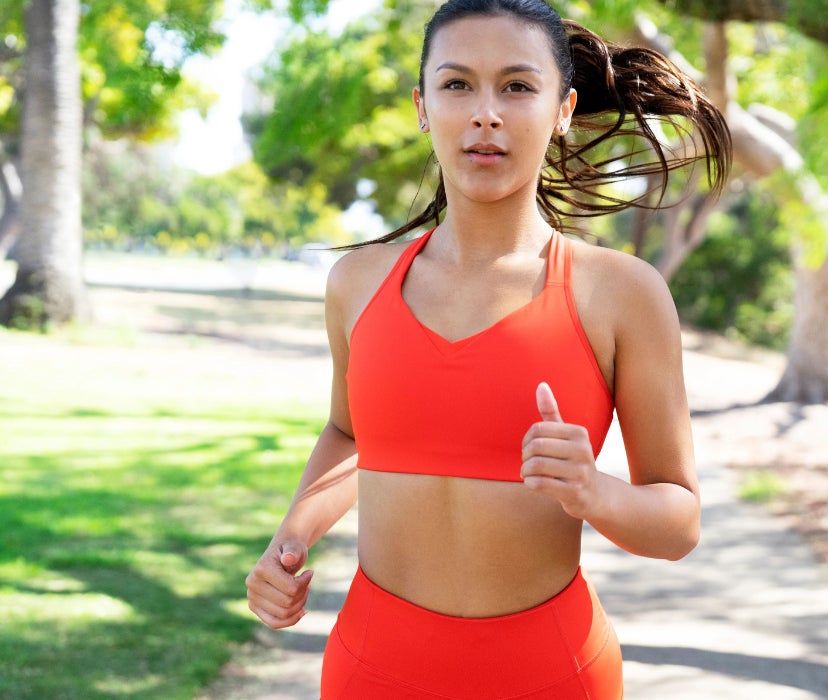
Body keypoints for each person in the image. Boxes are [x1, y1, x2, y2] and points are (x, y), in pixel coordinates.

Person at [244, 1, 730, 697]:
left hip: (551, 672)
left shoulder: (621, 293)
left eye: (517, 86)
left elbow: (678, 522)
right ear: (421, 106)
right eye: (456, 85)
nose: (485, 114)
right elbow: (352, 434)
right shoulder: (357, 283)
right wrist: (290, 537)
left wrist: (594, 491)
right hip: (372, 667)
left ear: (562, 109)